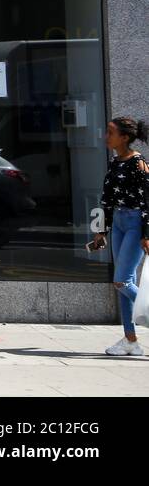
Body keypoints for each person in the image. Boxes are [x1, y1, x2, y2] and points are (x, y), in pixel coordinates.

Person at [89, 116, 149, 356]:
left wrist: (146, 234)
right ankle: (130, 340)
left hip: (135, 223)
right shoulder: (115, 163)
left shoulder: (139, 164)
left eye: (111, 133)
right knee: (123, 283)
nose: (106, 136)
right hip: (120, 222)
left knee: (122, 281)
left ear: (124, 137)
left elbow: (147, 202)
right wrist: (101, 230)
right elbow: (107, 199)